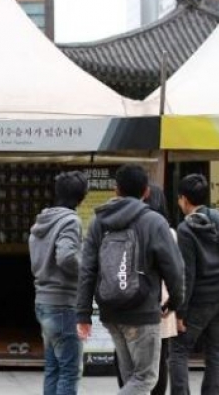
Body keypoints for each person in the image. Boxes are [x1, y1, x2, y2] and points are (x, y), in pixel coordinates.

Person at [77, 164, 184, 395]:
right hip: (143, 312)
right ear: (146, 191)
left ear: (116, 190)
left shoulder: (98, 222)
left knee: (131, 380)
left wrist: (83, 313)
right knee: (146, 378)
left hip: (110, 312)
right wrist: (174, 303)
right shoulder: (154, 222)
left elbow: (87, 269)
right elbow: (174, 269)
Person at [114, 183, 178, 395]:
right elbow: (176, 273)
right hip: (159, 307)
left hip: (125, 302)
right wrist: (176, 304)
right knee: (156, 363)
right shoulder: (168, 232)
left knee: (126, 361)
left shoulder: (122, 226)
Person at [29, 171, 88, 395]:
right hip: (63, 303)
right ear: (81, 197)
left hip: (43, 300)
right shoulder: (70, 221)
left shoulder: (43, 219)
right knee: (69, 371)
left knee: (53, 368)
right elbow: (66, 256)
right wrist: (86, 273)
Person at [170, 174, 219, 395]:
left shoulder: (185, 229)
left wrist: (179, 312)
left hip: (198, 301)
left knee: (179, 350)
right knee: (216, 352)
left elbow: (187, 274)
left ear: (184, 199)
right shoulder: (218, 218)